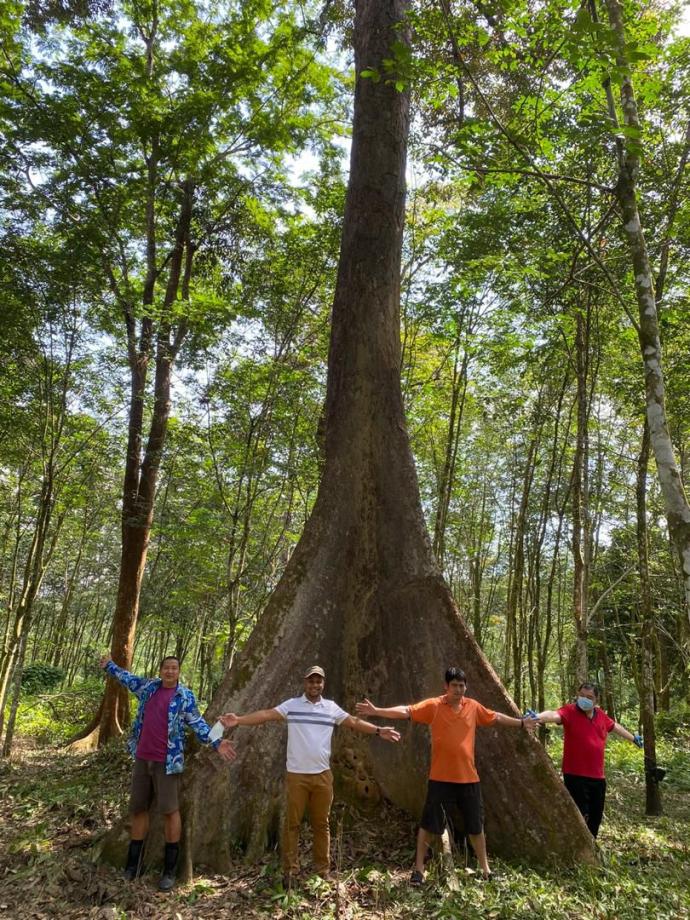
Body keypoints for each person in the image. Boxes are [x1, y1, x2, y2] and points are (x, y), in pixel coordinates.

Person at [219, 665, 400, 885]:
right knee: (292, 824)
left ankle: (322, 871)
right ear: (305, 683)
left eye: (319, 681)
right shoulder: (292, 706)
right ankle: (290, 871)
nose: (315, 685)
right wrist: (239, 719)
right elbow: (266, 714)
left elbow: (353, 722)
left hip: (323, 776)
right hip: (297, 776)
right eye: (311, 681)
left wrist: (379, 731)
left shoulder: (331, 708)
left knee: (321, 824)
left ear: (323, 684)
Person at [356, 666, 536, 884]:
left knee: (475, 827)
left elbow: (495, 717)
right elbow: (407, 711)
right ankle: (419, 869)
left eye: (462, 685)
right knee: (430, 825)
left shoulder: (473, 707)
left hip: (469, 779)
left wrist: (521, 723)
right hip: (440, 779)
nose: (458, 690)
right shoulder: (434, 706)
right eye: (454, 686)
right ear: (446, 686)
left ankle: (486, 870)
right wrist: (377, 711)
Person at [99, 654, 236, 890]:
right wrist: (109, 666)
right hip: (143, 759)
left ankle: (170, 871)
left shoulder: (184, 697)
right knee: (139, 809)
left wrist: (217, 742)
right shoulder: (148, 688)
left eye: (174, 668)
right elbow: (127, 678)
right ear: (161, 670)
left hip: (168, 762)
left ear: (178, 672)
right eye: (166, 668)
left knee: (170, 811)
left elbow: (198, 724)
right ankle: (132, 866)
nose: (170, 672)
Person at [532, 681, 642, 838]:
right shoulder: (569, 711)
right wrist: (537, 717)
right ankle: (576, 848)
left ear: (596, 699)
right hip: (575, 775)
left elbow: (615, 726)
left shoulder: (601, 715)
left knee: (595, 817)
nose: (584, 699)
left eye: (589, 697)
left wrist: (633, 738)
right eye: (581, 695)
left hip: (598, 777)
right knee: (580, 816)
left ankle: (591, 849)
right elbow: (553, 715)